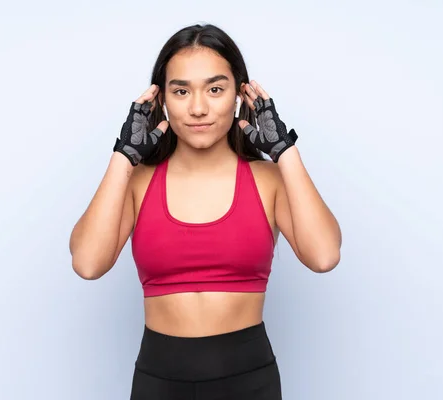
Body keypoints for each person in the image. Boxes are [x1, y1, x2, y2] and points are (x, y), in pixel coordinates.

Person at [69, 23, 342, 400]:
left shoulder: (270, 180)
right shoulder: (136, 182)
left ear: (238, 94)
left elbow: (325, 256)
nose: (198, 108)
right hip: (158, 384)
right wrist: (123, 156)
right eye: (181, 91)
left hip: (249, 382)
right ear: (161, 99)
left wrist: (284, 150)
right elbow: (87, 264)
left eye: (215, 89)